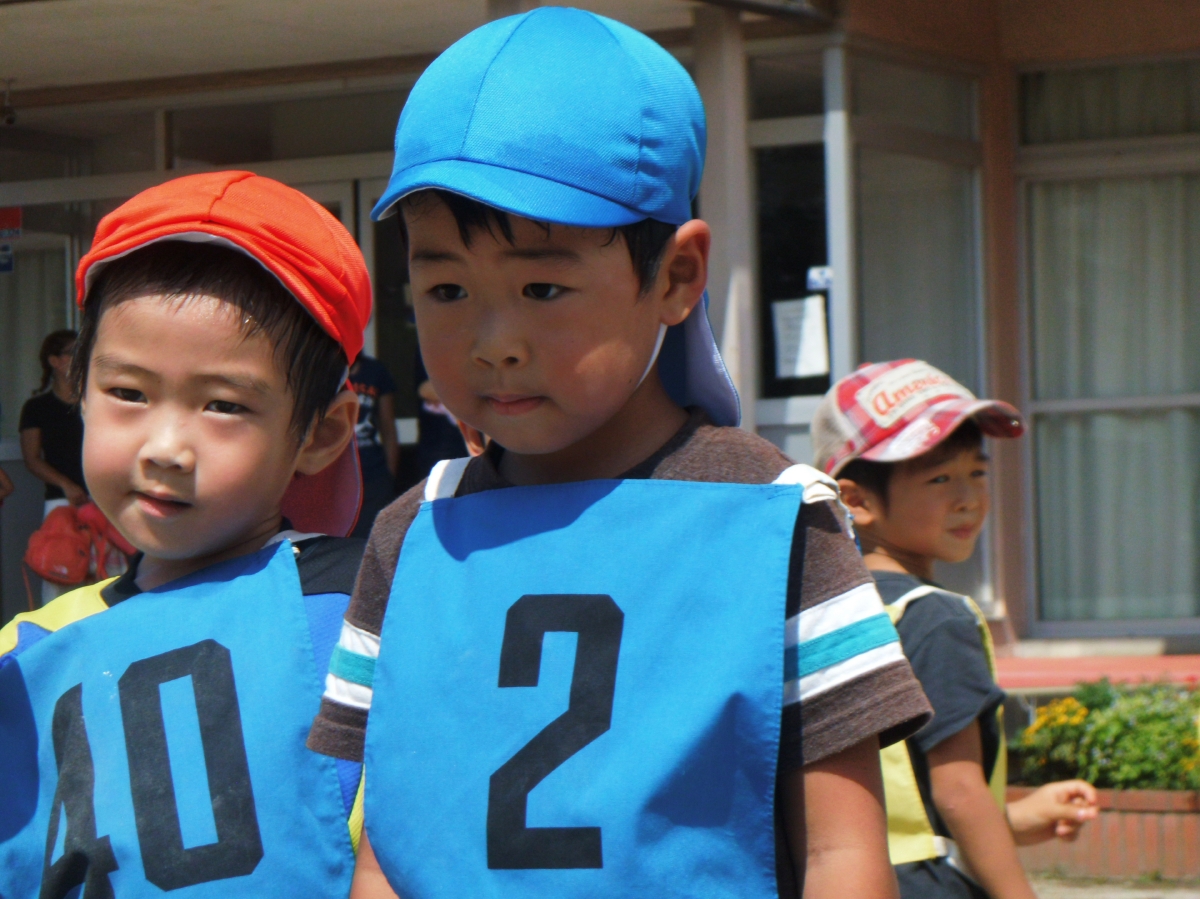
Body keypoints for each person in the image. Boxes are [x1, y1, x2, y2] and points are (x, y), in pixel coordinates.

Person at [307, 10, 932, 899]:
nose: (493, 341)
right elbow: (385, 849)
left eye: (542, 285)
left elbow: (843, 853)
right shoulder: (413, 533)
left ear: (676, 276)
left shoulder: (776, 517)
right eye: (445, 288)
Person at [0, 172, 372, 897]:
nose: (165, 447)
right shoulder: (27, 650)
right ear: (81, 393)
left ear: (322, 433)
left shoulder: (372, 608)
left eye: (223, 404)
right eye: (128, 392)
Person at [812, 359, 1099, 899]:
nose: (968, 498)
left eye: (977, 472)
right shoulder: (937, 617)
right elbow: (959, 793)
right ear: (857, 501)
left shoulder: (825, 612)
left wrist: (1015, 819)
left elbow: (913, 798)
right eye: (940, 478)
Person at [20, 330, 86, 601]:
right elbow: (32, 458)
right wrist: (66, 485)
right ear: (55, 361)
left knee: (108, 576)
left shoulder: (94, 402)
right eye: (73, 352)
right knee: (61, 575)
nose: (81, 357)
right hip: (61, 503)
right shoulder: (37, 407)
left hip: (103, 500)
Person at [349, 353, 400, 538]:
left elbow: (388, 428)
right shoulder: (325, 371)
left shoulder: (375, 371)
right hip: (337, 478)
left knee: (373, 538)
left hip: (373, 474)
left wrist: (389, 476)